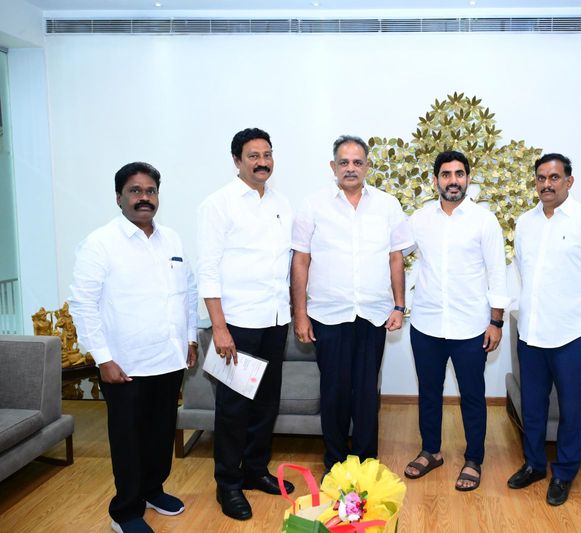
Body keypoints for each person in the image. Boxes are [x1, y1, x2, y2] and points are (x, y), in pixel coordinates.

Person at [70, 162, 198, 533]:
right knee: (128, 439)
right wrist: (103, 358)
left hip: (169, 359)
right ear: (119, 198)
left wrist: (190, 337)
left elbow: (187, 293)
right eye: (135, 191)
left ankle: (153, 490)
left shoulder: (172, 239)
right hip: (124, 365)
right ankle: (125, 511)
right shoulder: (100, 243)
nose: (144, 197)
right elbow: (83, 304)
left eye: (151, 190)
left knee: (160, 433)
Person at [291, 135, 413, 475]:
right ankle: (334, 461)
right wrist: (300, 314)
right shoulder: (313, 205)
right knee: (334, 393)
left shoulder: (387, 205)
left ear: (367, 166)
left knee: (366, 394)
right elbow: (300, 261)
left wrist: (399, 306)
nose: (351, 168)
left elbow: (395, 259)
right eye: (344, 162)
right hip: (328, 315)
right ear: (333, 167)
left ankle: (364, 461)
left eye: (357, 162)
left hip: (373, 315)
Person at [507, 153, 581, 506]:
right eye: (541, 178)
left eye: (554, 178)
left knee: (571, 409)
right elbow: (522, 274)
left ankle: (565, 472)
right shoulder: (525, 223)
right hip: (531, 335)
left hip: (571, 337)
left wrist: (580, 315)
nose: (546, 184)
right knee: (533, 407)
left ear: (569, 181)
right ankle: (535, 465)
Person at [197, 128, 294, 521]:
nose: (262, 161)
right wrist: (219, 328)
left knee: (267, 402)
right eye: (253, 155)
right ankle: (228, 484)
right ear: (237, 160)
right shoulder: (217, 204)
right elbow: (207, 270)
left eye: (267, 154)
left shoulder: (281, 203)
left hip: (275, 319)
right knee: (234, 407)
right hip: (237, 322)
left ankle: (255, 471)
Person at [403, 150, 509, 492]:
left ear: (468, 178)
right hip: (427, 325)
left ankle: (473, 458)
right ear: (436, 180)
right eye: (446, 174)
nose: (453, 180)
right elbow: (392, 252)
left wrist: (497, 322)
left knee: (473, 395)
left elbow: (497, 272)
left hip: (470, 327)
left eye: (459, 174)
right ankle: (431, 451)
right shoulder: (420, 219)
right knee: (429, 392)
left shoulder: (483, 220)